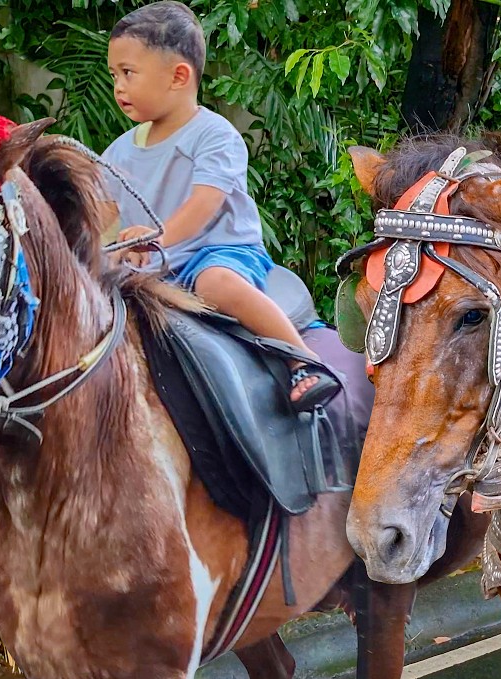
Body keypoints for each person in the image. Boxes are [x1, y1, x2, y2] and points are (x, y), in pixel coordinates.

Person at [101, 1, 338, 411]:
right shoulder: (118, 152)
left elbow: (204, 204)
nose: (118, 86)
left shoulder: (214, 135)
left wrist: (154, 239)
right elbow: (101, 214)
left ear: (178, 76)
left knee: (216, 284)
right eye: (114, 75)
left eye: (128, 73)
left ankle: (302, 360)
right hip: (155, 267)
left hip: (218, 253)